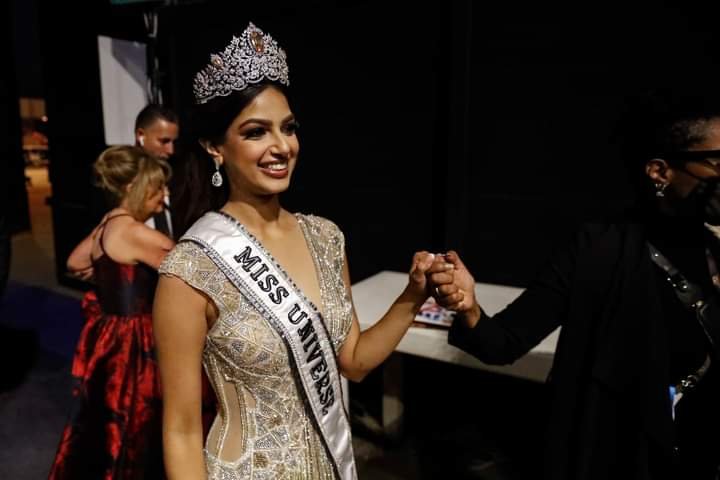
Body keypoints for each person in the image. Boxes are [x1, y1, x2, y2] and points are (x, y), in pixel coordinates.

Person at [152, 23, 440, 480]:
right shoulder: (191, 268)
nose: (282, 146)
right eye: (256, 132)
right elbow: (182, 431)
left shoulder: (326, 238)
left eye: (288, 128)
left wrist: (413, 296)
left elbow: (354, 362)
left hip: (329, 465)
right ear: (214, 147)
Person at [429, 86, 720, 479]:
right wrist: (468, 306)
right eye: (717, 162)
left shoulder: (713, 246)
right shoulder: (598, 250)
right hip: (623, 459)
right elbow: (502, 342)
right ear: (660, 172)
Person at [50, 145, 173, 479]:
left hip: (109, 336)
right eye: (156, 187)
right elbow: (193, 271)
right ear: (134, 187)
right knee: (139, 427)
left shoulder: (108, 223)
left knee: (106, 422)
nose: (163, 195)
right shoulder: (135, 232)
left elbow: (75, 263)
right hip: (137, 342)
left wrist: (113, 278)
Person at [134, 104, 179, 238]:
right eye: (164, 141)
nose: (171, 150)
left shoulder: (175, 176)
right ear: (141, 135)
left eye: (173, 142)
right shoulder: (122, 175)